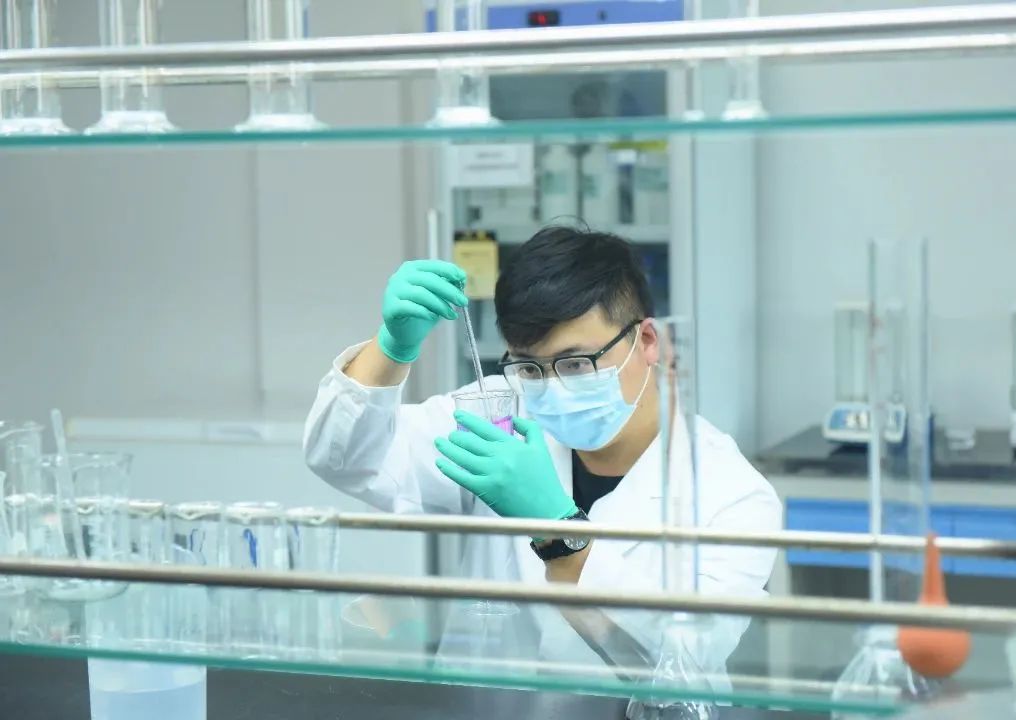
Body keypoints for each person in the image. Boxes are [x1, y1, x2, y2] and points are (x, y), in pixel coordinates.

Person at [303, 226, 781, 672]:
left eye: (576, 363)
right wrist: (390, 349)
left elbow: (685, 659)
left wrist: (560, 534)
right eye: (529, 368)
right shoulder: (499, 415)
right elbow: (345, 459)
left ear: (649, 341)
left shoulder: (731, 493)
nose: (551, 387)